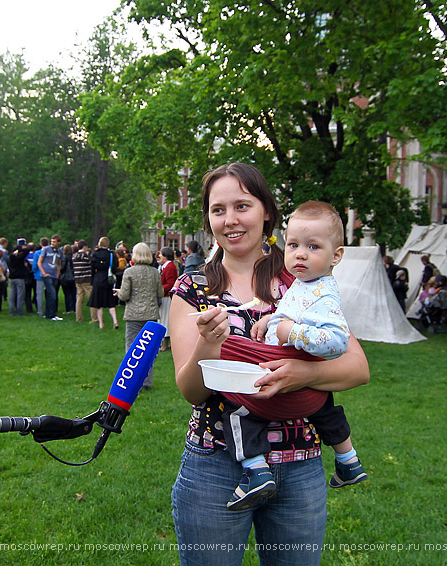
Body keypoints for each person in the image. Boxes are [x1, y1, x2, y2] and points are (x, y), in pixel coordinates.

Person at [168, 162, 369, 565]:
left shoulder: (302, 277)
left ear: (267, 212)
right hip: (216, 465)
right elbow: (191, 390)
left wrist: (305, 374)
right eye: (218, 209)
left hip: (301, 465)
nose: (230, 220)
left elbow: (357, 367)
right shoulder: (193, 288)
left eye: (242, 205)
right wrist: (210, 343)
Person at [217, 201, 365, 511]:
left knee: (238, 407)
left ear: (336, 255)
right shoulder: (306, 283)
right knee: (326, 407)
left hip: (288, 377)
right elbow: (291, 310)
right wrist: (270, 320)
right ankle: (348, 461)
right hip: (308, 388)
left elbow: (336, 342)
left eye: (313, 246)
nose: (300, 253)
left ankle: (255, 470)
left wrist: (290, 333)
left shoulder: (325, 295)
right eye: (294, 244)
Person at [117, 242, 164, 389]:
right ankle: (146, 382)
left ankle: (130, 381)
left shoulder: (129, 272)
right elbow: (160, 293)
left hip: (133, 314)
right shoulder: (155, 272)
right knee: (148, 350)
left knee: (132, 348)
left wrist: (119, 292)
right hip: (150, 313)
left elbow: (124, 295)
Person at [89, 237, 119, 329]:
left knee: (98, 304)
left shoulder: (96, 254)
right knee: (111, 303)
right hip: (108, 278)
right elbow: (115, 267)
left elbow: (92, 267)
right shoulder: (111, 255)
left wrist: (92, 279)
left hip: (98, 278)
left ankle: (101, 324)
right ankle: (115, 321)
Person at [158, 247, 178, 351]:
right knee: (163, 319)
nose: (159, 256)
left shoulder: (170, 266)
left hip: (166, 297)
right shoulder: (165, 266)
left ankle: (165, 344)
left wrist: (159, 289)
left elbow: (170, 283)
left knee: (165, 320)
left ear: (165, 255)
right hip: (164, 296)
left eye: (160, 254)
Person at [39, 235, 63, 321]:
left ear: (59, 242)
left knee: (51, 294)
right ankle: (52, 314)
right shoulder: (46, 249)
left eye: (55, 242)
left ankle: (48, 313)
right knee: (52, 294)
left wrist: (58, 273)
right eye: (52, 241)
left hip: (54, 274)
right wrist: (43, 273)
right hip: (47, 274)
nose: (53, 243)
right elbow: (40, 262)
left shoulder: (60, 251)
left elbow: (59, 263)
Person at [72, 240, 95, 323]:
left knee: (79, 299)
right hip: (86, 279)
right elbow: (92, 262)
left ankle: (79, 318)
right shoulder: (86, 256)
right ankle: (94, 318)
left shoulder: (74, 256)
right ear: (85, 246)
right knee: (92, 298)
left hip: (77, 279)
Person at [7, 238, 29, 316]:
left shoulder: (10, 257)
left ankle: (11, 311)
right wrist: (21, 250)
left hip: (12, 277)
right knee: (20, 295)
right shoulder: (20, 258)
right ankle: (20, 311)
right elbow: (27, 251)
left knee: (12, 295)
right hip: (19, 277)